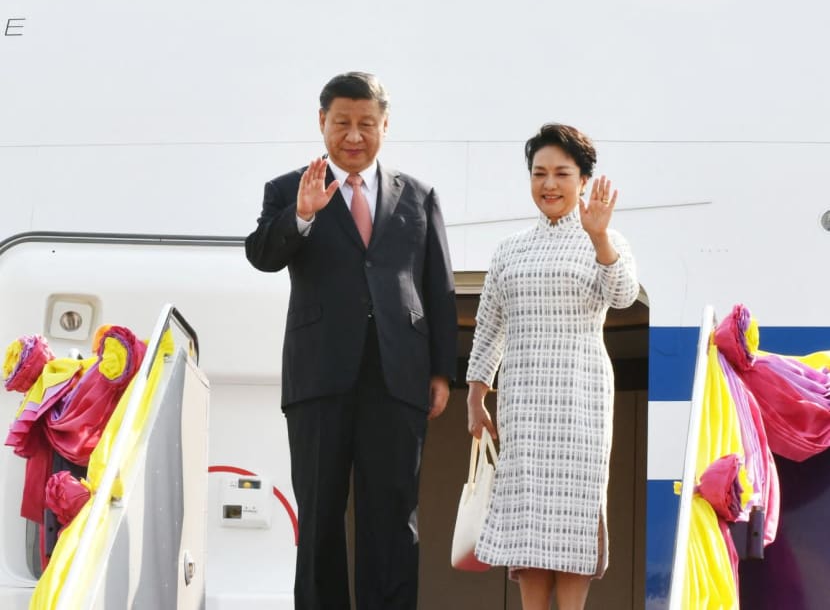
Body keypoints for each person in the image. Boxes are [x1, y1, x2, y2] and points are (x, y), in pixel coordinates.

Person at [245, 71, 458, 610]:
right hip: (320, 379)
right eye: (343, 123)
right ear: (322, 123)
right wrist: (302, 214)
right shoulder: (288, 188)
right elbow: (262, 255)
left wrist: (440, 371)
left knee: (393, 519)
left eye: (367, 123)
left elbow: (438, 288)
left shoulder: (419, 194)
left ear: (386, 125)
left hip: (397, 378)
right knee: (318, 518)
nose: (355, 134)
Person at [465, 123, 639, 610]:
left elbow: (623, 295)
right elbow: (489, 325)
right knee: (528, 520)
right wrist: (476, 395)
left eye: (562, 173)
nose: (549, 183)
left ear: (583, 180)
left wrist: (599, 236)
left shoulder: (607, 240)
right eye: (539, 173)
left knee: (573, 520)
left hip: (581, 399)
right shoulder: (509, 249)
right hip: (522, 398)